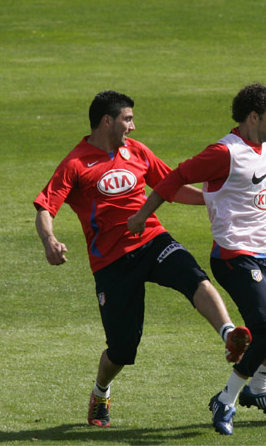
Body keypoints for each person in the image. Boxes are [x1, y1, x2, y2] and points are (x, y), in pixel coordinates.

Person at [34, 90, 251, 430]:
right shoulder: (76, 163)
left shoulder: (136, 151)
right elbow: (46, 207)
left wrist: (217, 202)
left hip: (151, 240)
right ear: (108, 121)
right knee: (121, 349)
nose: (133, 127)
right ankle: (100, 392)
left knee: (193, 275)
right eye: (127, 119)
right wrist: (49, 239)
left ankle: (227, 334)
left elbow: (170, 188)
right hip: (111, 263)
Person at [128, 83, 266, 436]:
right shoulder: (224, 153)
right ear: (253, 117)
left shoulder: (265, 146)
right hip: (233, 259)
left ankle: (258, 387)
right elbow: (176, 176)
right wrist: (141, 215)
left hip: (263, 256)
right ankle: (225, 401)